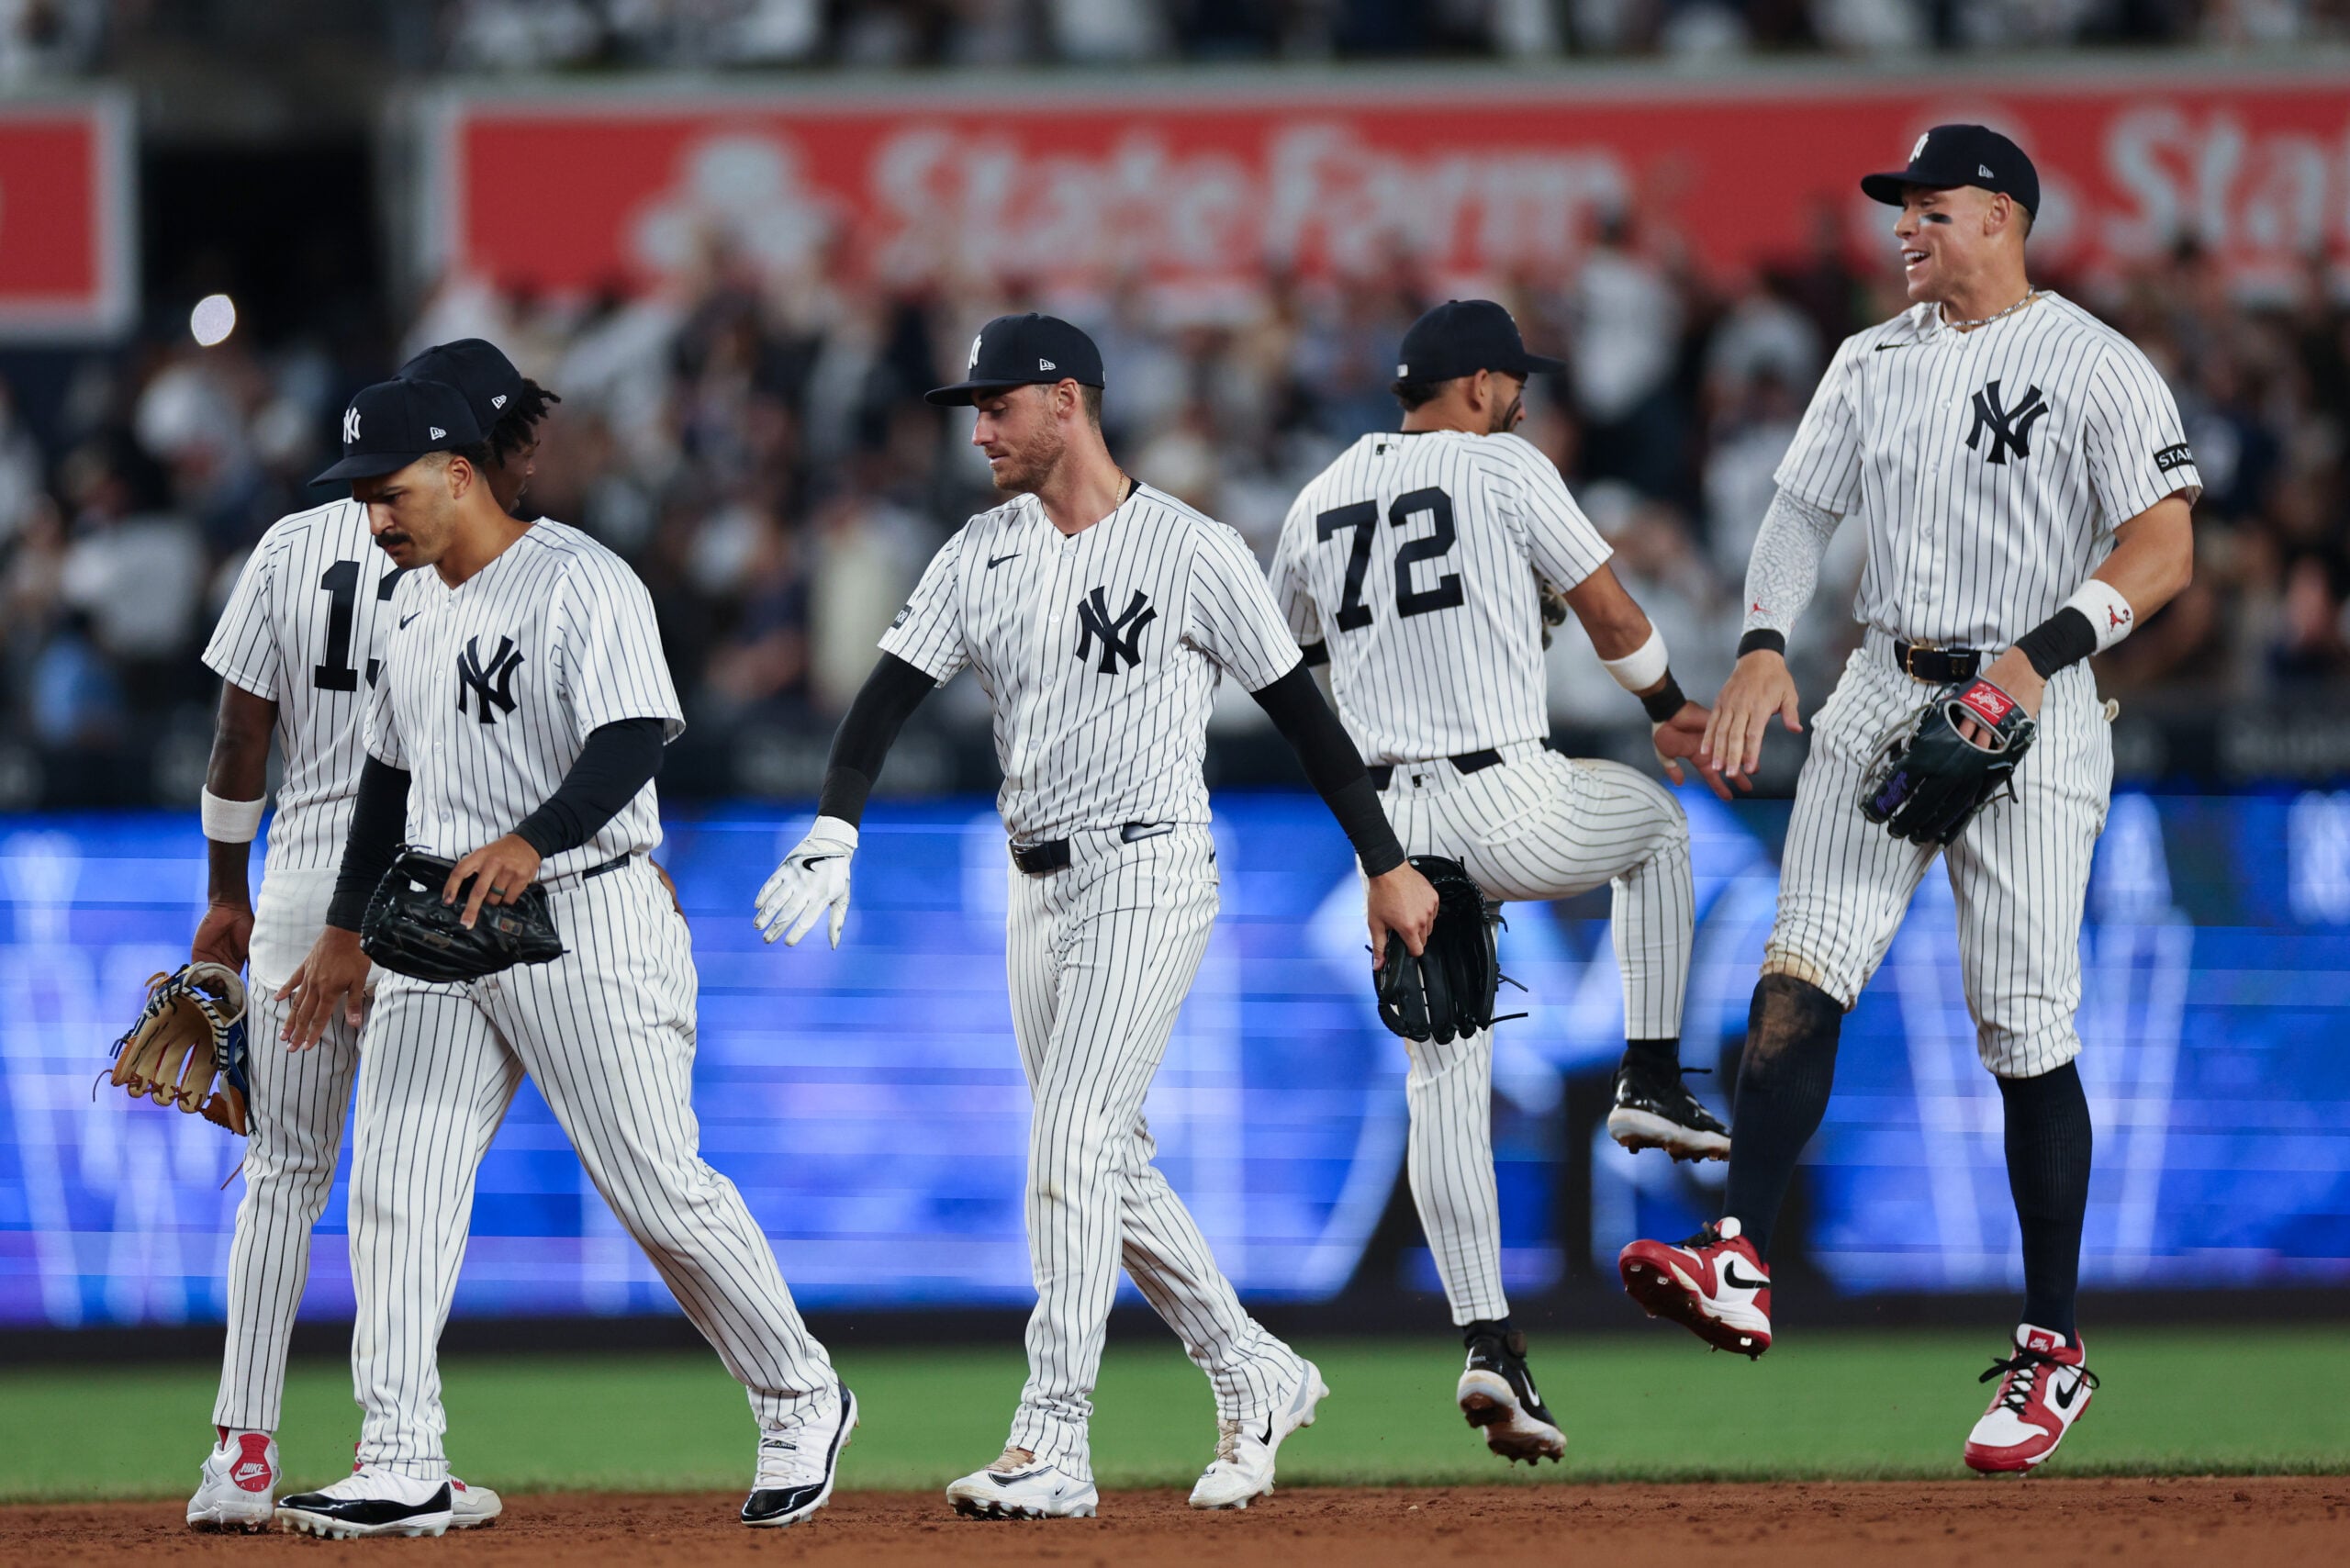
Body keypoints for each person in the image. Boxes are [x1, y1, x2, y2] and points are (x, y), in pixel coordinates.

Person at [753, 313, 1438, 1518]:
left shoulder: (1194, 548)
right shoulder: (979, 552)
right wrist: (834, 828)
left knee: (1067, 1144)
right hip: (1036, 883)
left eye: (997, 404)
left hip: (1153, 864)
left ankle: (1053, 1438)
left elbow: (1306, 722)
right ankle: (1255, 1370)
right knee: (1101, 1162)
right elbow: (882, 702)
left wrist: (1385, 863)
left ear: (1066, 401)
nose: (980, 429)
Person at [1617, 126, 2199, 1473]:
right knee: (1797, 971)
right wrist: (1763, 637)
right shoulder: (1870, 358)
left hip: (2038, 701)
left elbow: (2164, 546)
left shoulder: (2094, 362)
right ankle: (1739, 1259)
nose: (1904, 230)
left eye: (1928, 208)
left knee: (2022, 1024)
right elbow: (1798, 514)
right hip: (1885, 680)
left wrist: (2033, 664)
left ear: (2000, 214)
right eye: (1900, 210)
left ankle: (2053, 1348)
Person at [274, 377, 851, 1537]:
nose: (373, 521)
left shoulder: (581, 579)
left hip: (583, 910)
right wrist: (341, 931)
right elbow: (384, 779)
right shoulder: (410, 606)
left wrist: (533, 839)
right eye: (359, 500)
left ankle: (801, 1392)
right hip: (442, 922)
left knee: (657, 1189)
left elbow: (636, 734)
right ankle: (399, 1456)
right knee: (396, 1186)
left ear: (457, 473)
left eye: (387, 495)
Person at [1270, 298, 1733, 1465]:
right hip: (1503, 791)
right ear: (1473, 386)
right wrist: (1667, 706)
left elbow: (1295, 679)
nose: (1523, 395)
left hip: (1391, 824)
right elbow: (1612, 613)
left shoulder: (1317, 499)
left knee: (1443, 1085)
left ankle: (1489, 1343)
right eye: (1512, 379)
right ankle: (1652, 1076)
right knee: (1656, 833)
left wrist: (1374, 841)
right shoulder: (1504, 465)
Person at [182, 340, 554, 1532]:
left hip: (296, 887)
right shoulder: (485, 547)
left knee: (285, 1177)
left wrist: (226, 894)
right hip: (431, 892)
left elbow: (241, 741)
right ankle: (396, 1445)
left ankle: (239, 1459)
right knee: (409, 1183)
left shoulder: (293, 545)